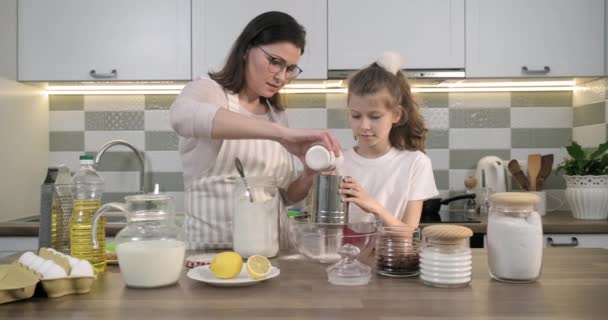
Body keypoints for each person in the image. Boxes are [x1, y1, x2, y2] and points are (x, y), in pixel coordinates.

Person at [170, 11, 341, 249]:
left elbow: (287, 196)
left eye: (291, 68)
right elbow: (182, 116)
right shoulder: (209, 91)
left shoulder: (275, 113)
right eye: (275, 61)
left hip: (273, 256)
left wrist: (308, 175)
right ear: (245, 50)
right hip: (213, 259)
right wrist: (281, 134)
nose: (282, 77)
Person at [338, 52, 438, 228]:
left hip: (391, 256)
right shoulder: (338, 162)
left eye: (375, 116)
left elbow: (408, 235)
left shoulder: (415, 163)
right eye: (355, 116)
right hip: (346, 256)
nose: (364, 125)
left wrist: (374, 207)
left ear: (396, 115)